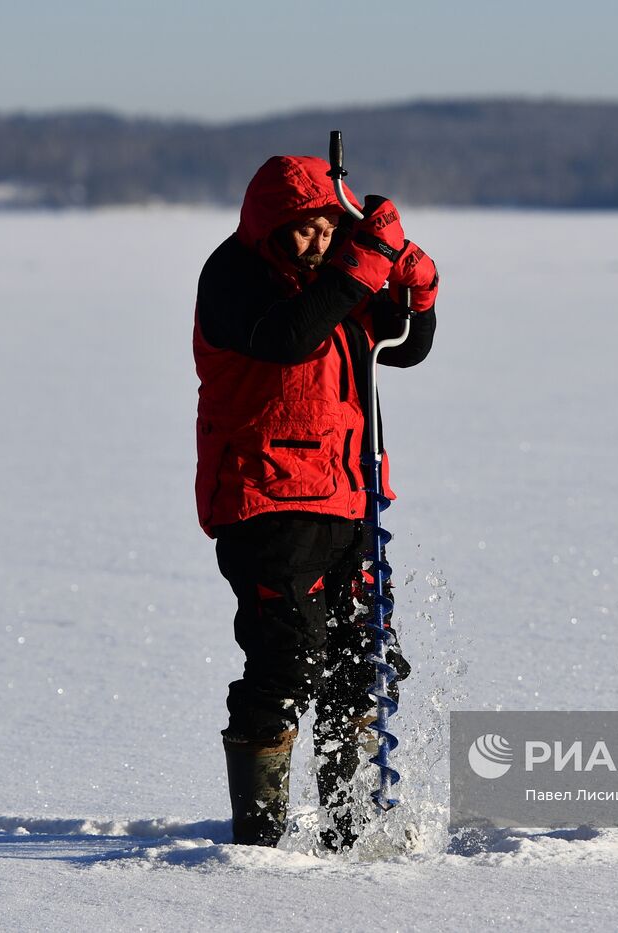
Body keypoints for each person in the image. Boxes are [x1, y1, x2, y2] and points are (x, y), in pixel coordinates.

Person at [192, 154, 437, 849]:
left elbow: (404, 346)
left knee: (362, 663)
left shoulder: (336, 281)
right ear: (269, 227)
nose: (317, 242)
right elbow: (290, 336)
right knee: (287, 656)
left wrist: (416, 285)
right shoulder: (234, 278)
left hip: (347, 498)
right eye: (303, 230)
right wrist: (363, 264)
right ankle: (260, 840)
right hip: (265, 501)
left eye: (330, 227)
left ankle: (348, 832)